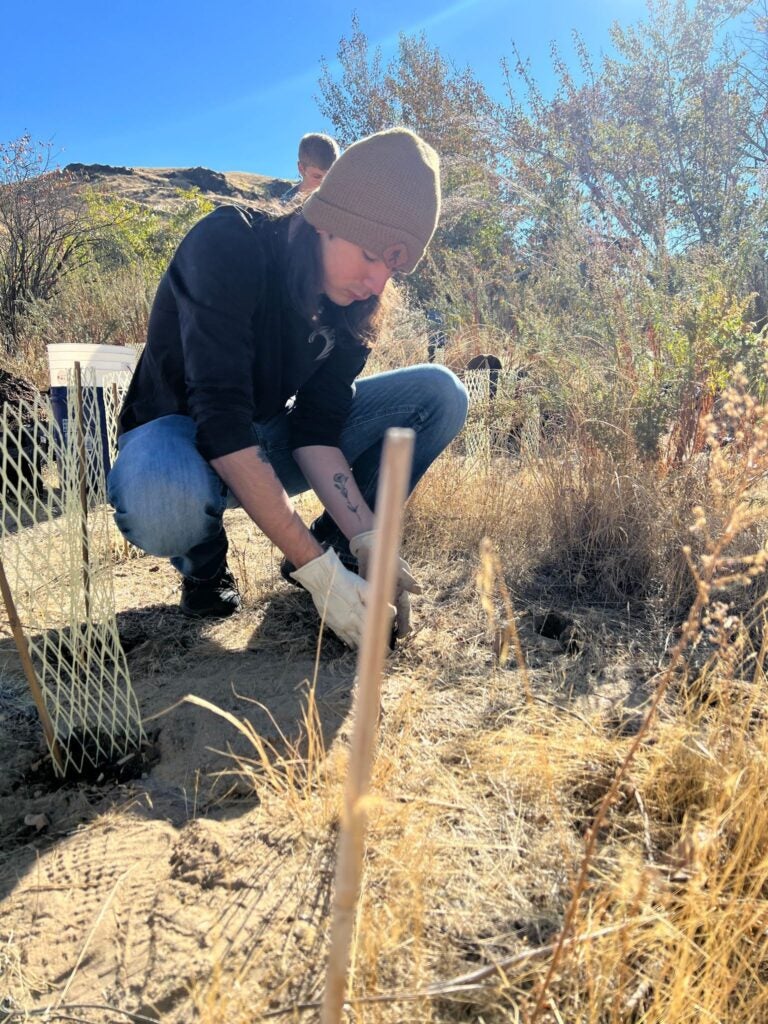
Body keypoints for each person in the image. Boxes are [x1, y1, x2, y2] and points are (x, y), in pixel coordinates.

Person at [107, 127, 469, 650]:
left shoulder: (356, 309)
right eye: (371, 256)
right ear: (330, 221)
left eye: (392, 269)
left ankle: (340, 548)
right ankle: (206, 568)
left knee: (440, 393)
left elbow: (317, 430)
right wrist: (315, 572)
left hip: (265, 435)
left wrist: (368, 537)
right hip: (174, 439)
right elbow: (221, 419)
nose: (376, 285)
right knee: (164, 499)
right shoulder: (228, 244)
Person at [281, 132, 340, 203]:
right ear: (301, 169)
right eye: (317, 176)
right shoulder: (286, 204)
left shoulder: (338, 199)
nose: (324, 184)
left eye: (329, 177)